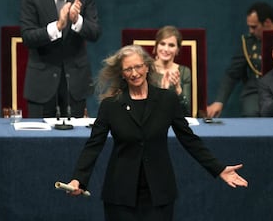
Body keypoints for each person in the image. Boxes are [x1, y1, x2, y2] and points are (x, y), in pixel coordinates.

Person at [67, 45, 248, 221]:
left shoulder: (167, 100)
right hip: (120, 194)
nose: (134, 73)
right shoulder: (111, 106)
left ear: (147, 66)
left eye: (138, 66)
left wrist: (219, 169)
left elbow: (189, 139)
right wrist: (79, 179)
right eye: (128, 69)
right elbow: (93, 146)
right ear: (122, 73)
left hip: (158, 193)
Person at [20, 0, 101, 118]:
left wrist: (77, 20)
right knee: (37, 142)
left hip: (75, 84)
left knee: (76, 141)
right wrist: (58, 26)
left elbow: (94, 33)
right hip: (41, 83)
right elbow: (27, 37)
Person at [207, 2, 273, 118]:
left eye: (254, 27)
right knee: (251, 115)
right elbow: (232, 74)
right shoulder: (248, 43)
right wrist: (219, 101)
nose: (250, 31)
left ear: (267, 23)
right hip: (255, 92)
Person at [150, 25, 191, 116]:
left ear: (177, 50)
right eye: (162, 44)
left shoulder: (184, 72)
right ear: (156, 46)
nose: (166, 49)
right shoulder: (146, 70)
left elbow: (187, 112)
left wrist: (178, 89)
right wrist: (162, 90)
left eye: (171, 45)